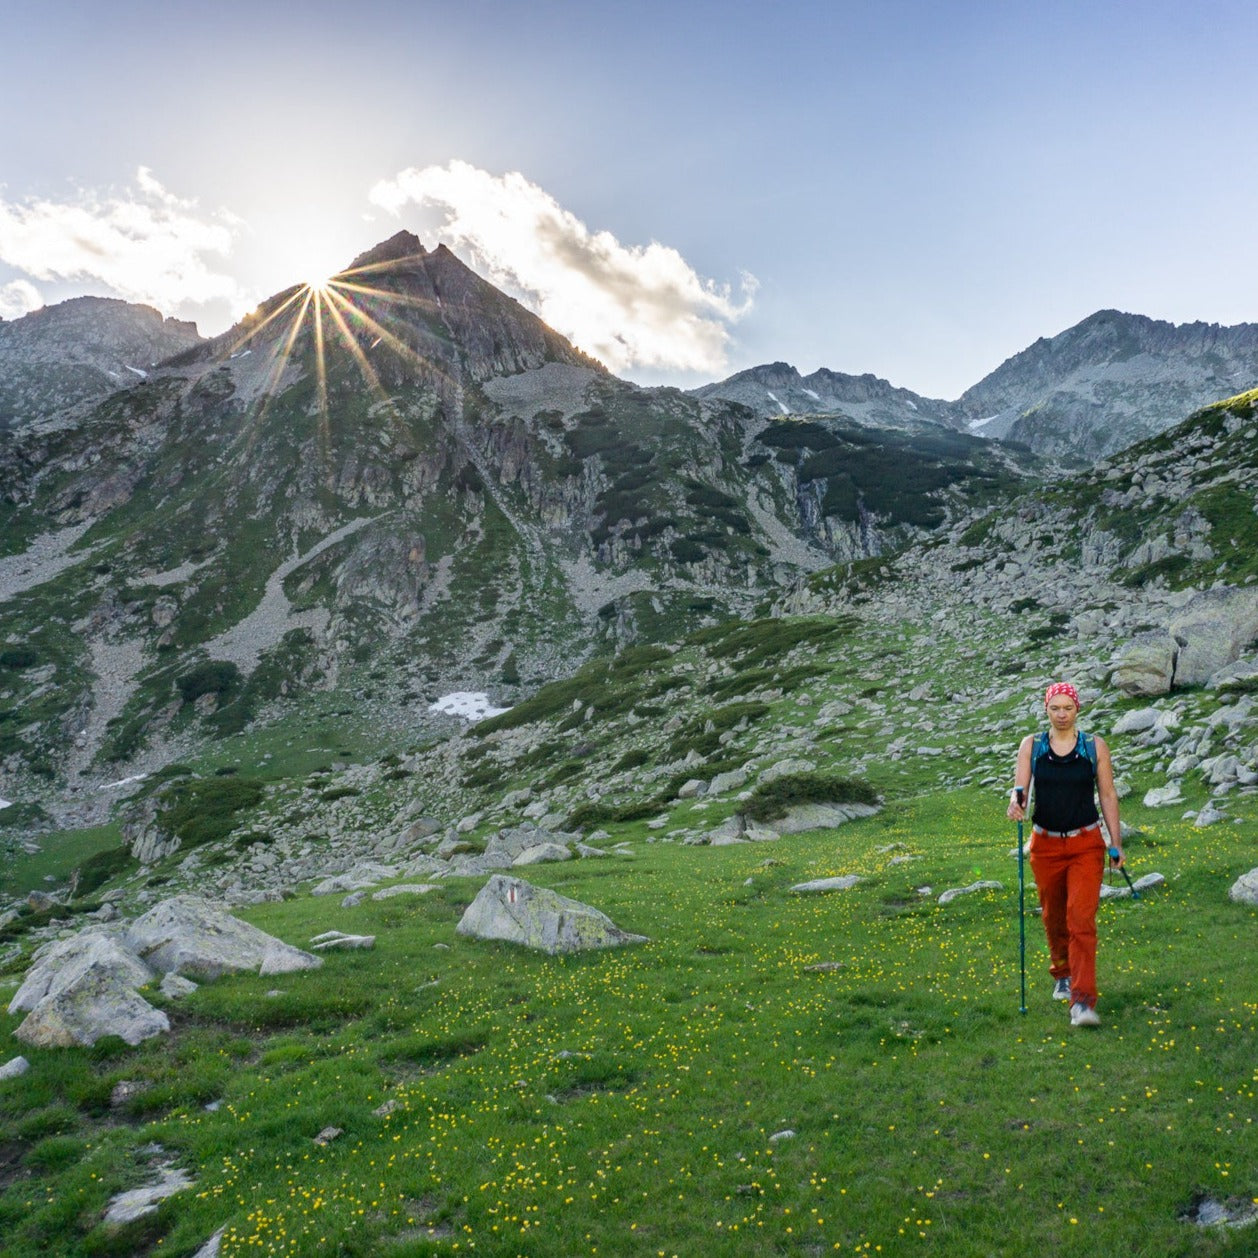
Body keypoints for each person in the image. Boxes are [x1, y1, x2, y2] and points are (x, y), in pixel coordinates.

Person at [1007, 682, 1123, 1028]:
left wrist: (1115, 843)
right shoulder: (1032, 745)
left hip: (1086, 844)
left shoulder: (1093, 747)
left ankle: (1083, 1001)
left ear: (1077, 710)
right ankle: (1062, 971)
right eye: (1055, 708)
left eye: (1067, 708)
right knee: (1054, 916)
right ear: (1046, 710)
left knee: (1081, 919)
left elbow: (1107, 794)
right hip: (1044, 846)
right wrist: (1015, 804)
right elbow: (1021, 789)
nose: (1061, 714)